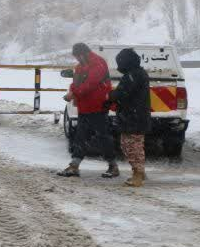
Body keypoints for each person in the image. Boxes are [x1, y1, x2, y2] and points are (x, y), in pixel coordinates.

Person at [58, 42, 120, 178]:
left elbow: (90, 84)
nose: (77, 59)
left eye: (78, 56)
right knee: (80, 137)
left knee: (103, 137)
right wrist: (73, 90)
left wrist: (72, 92)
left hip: (98, 106)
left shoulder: (98, 63)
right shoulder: (80, 67)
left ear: (84, 53)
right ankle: (74, 165)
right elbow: (77, 82)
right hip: (85, 107)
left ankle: (113, 166)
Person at [109, 47, 151, 187]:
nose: (118, 66)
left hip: (134, 117)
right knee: (128, 144)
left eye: (119, 62)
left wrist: (110, 96)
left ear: (125, 62)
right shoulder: (136, 73)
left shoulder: (133, 75)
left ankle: (138, 175)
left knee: (132, 146)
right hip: (133, 116)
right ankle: (139, 172)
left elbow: (122, 92)